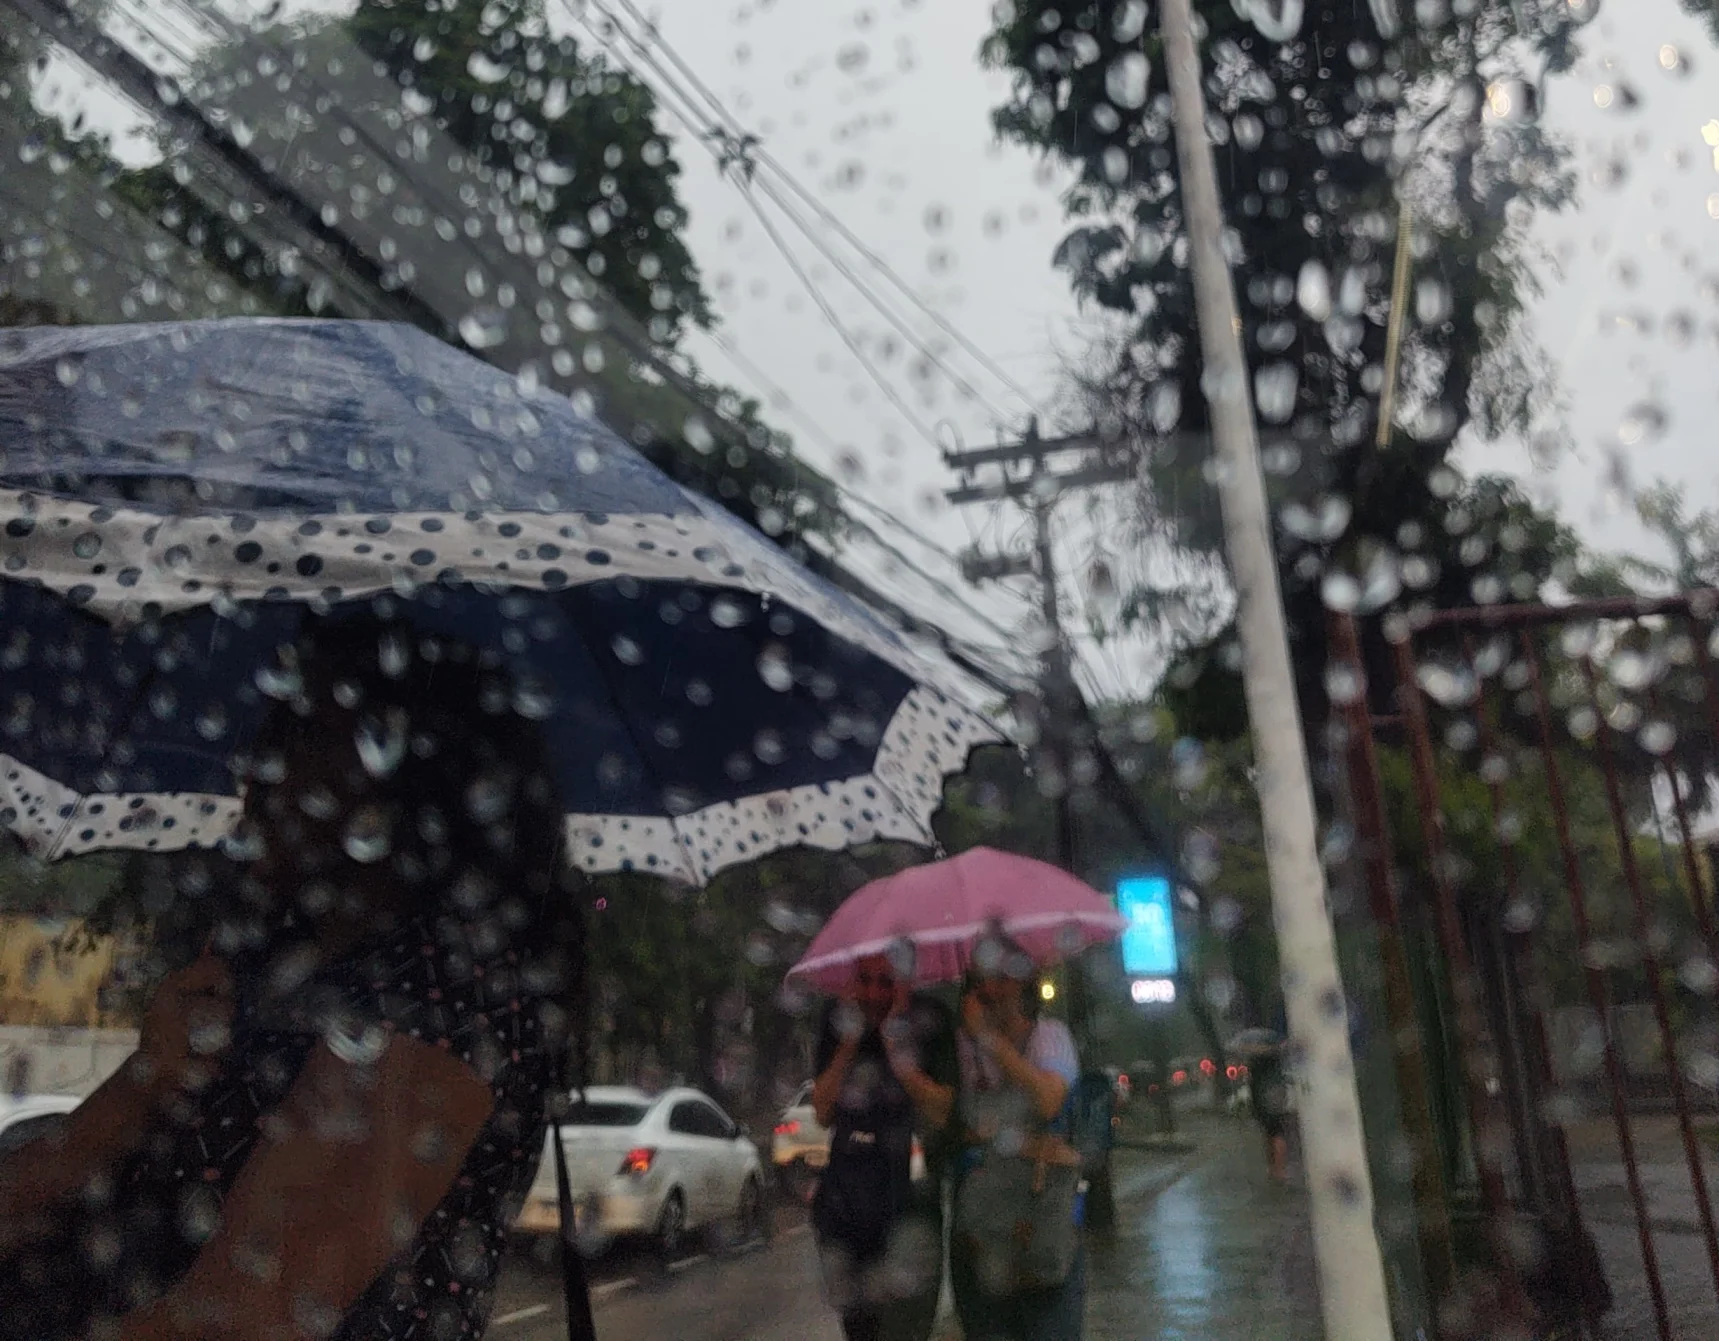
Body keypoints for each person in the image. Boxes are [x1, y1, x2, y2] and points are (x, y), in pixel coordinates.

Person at [0, 616, 573, 1340]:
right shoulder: (269, 976)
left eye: (302, 733)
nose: (257, 764)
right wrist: (148, 1079)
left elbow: (237, 1319)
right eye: (271, 729)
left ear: (414, 780)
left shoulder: (449, 995)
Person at [810, 949, 956, 1341]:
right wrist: (847, 1043)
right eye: (865, 980)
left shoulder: (931, 1018)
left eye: (886, 982)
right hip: (848, 1204)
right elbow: (823, 1110)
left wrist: (897, 1047)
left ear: (906, 979)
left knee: (907, 1327)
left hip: (910, 1199)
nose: (875, 994)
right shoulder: (838, 1020)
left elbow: (942, 1110)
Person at [950, 934, 1085, 1341]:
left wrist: (989, 1040)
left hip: (1042, 1220)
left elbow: (1047, 1100)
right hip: (981, 1226)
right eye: (985, 974)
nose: (995, 986)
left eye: (1007, 973)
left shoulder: (1050, 1037)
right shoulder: (959, 1047)